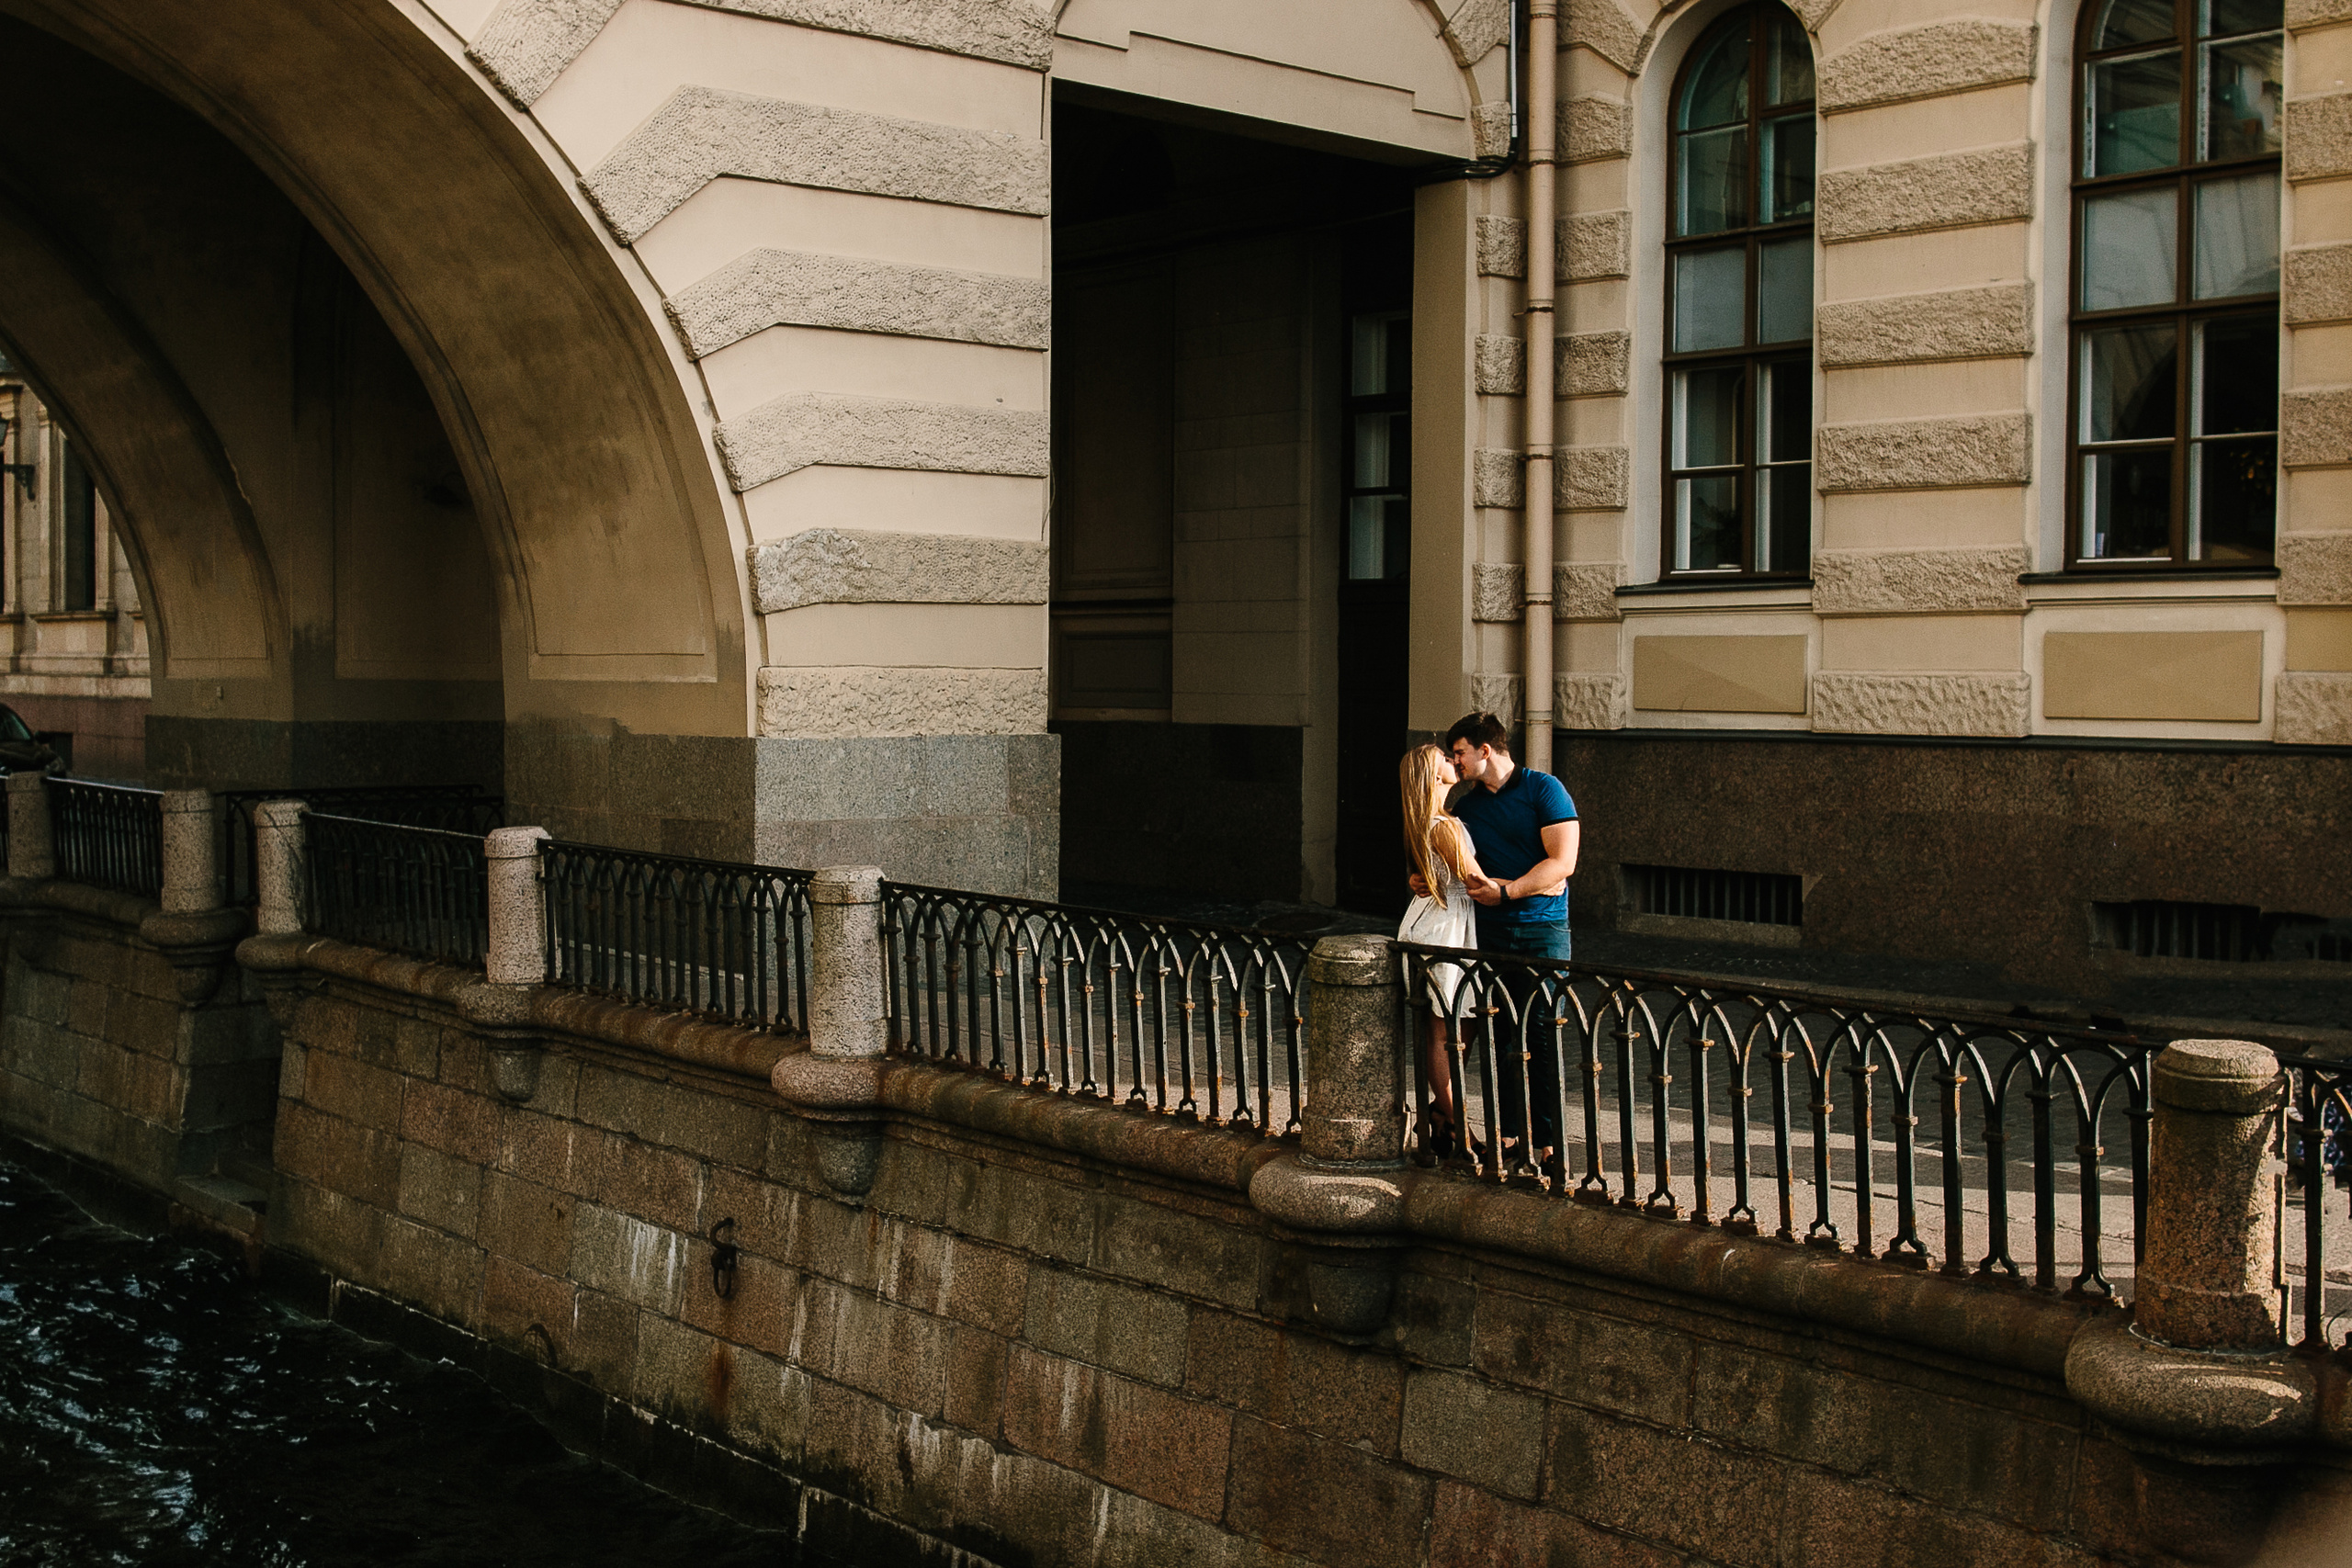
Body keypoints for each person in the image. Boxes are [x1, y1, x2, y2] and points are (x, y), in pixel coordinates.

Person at [1410, 712, 1580, 1163]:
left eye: (1460, 752)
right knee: (1504, 1039)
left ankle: (1547, 1143)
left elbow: (1562, 863)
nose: (1456, 761)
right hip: (1489, 935)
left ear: (1486, 750)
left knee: (1544, 1036)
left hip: (1542, 930)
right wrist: (1427, 878)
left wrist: (1507, 891)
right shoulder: (1465, 808)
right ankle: (1508, 1137)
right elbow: (1454, 866)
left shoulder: (1543, 789)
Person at [1395, 742, 1494, 1158]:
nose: (1454, 761)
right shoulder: (1443, 826)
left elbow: (1428, 875)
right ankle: (1465, 1132)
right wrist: (1530, 886)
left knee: (1460, 1024)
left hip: (1440, 923)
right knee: (1444, 1029)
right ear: (1433, 776)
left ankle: (1440, 1114)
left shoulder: (1433, 821)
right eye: (1445, 759)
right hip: (1441, 929)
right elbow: (1476, 881)